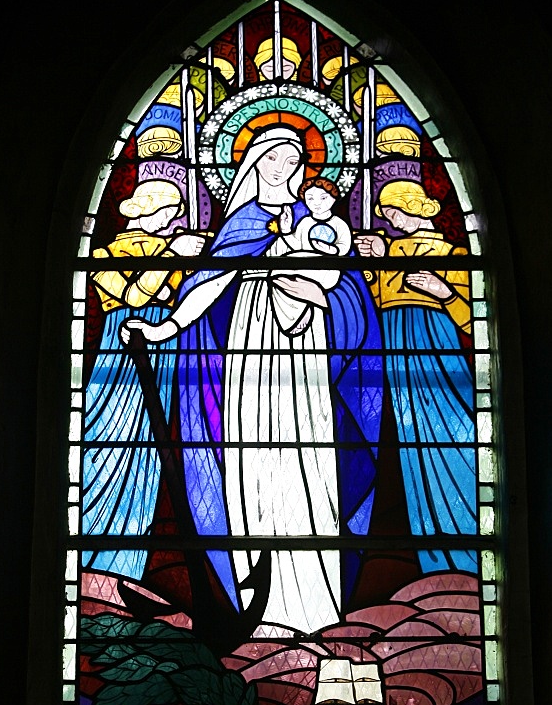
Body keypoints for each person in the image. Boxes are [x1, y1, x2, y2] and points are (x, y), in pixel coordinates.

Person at [122, 126, 383, 633]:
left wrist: (317, 288)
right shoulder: (242, 224)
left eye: (293, 162)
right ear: (253, 167)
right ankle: (263, 613)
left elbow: (347, 291)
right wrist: (165, 326)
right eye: (273, 161)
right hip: (251, 348)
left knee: (310, 462)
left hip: (305, 354)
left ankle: (318, 608)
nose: (284, 171)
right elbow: (207, 285)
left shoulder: (321, 223)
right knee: (254, 460)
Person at [82, 180, 204, 580]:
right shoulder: (102, 255)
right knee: (107, 450)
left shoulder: (173, 251)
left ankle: (121, 574)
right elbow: (133, 297)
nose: (172, 219)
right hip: (120, 358)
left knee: (148, 460)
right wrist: (170, 255)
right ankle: (90, 566)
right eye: (166, 210)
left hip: (160, 349)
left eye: (173, 212)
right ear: (142, 210)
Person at [356, 180, 476, 575]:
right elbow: (372, 303)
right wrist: (372, 265)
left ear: (417, 208)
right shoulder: (389, 251)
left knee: (449, 434)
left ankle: (468, 549)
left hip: (432, 342)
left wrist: (444, 292)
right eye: (388, 215)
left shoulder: (449, 253)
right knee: (412, 449)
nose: (391, 220)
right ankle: (436, 561)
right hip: (392, 345)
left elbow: (474, 320)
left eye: (395, 212)